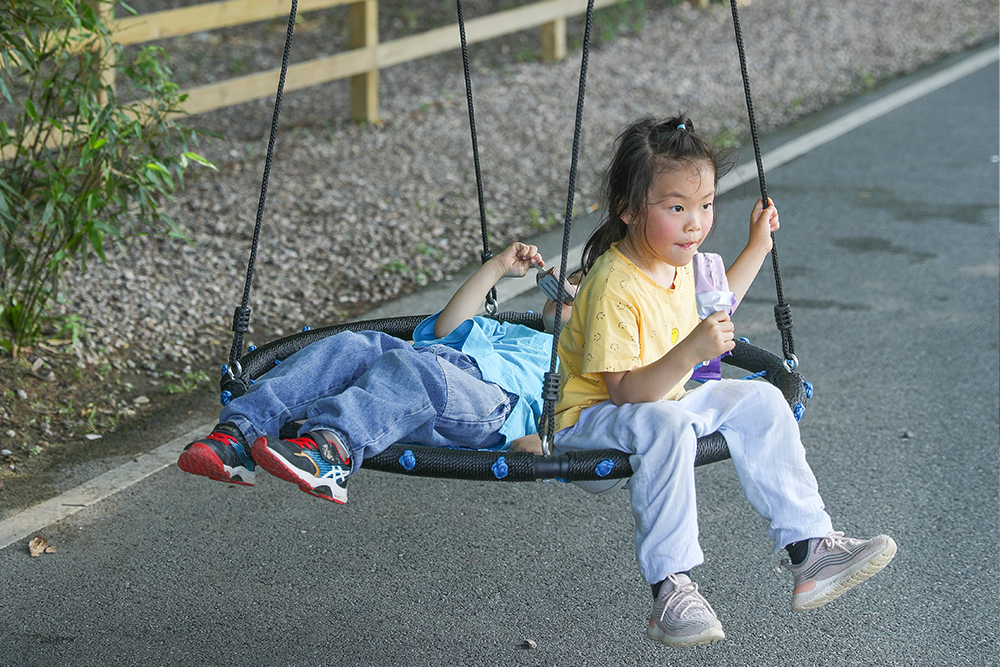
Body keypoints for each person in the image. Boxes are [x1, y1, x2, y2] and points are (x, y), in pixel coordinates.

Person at [551, 116, 896, 648]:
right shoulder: (613, 284)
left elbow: (719, 303)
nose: (695, 223)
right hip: (589, 426)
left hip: (660, 406)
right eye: (676, 207)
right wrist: (692, 349)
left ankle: (809, 550)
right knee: (665, 420)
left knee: (758, 397)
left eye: (706, 204)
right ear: (628, 208)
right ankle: (671, 586)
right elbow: (624, 393)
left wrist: (758, 245)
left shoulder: (679, 262)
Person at [178, 241, 572, 504]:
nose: (567, 285)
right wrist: (498, 266)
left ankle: (332, 452)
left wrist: (545, 444)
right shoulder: (509, 330)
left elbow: (578, 421)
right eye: (572, 280)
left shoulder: (580, 363)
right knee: (353, 345)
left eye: (580, 292)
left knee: (417, 367)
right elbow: (444, 329)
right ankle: (237, 438)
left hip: (490, 406)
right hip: (423, 375)